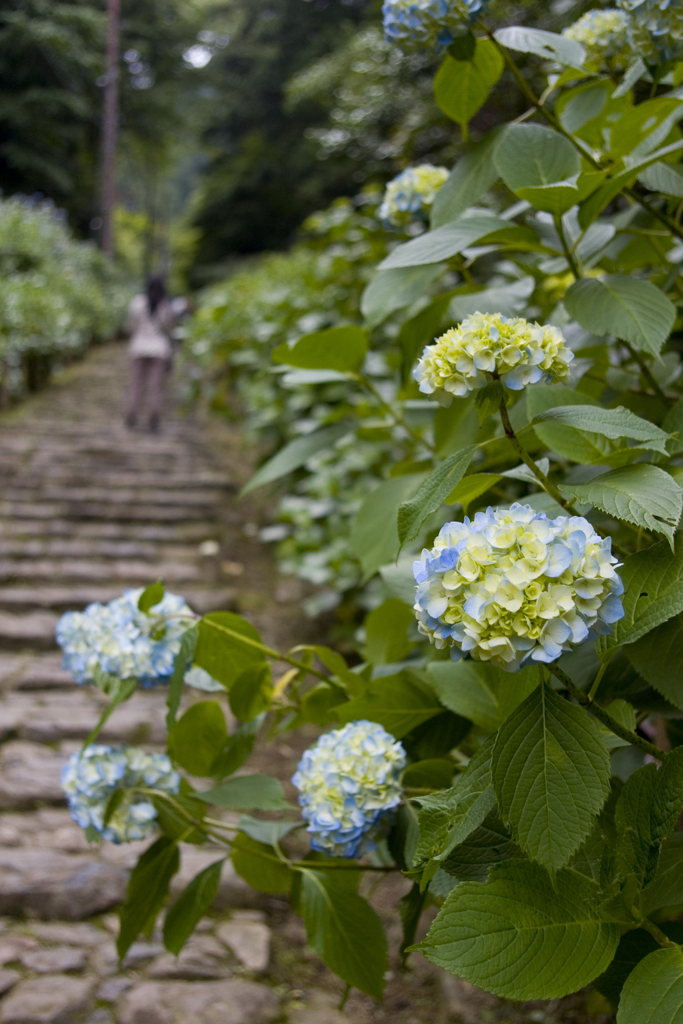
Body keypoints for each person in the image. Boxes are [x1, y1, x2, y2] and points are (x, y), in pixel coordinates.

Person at [125, 275, 175, 432]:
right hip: (159, 349)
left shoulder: (137, 303)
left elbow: (129, 326)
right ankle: (154, 417)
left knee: (136, 384)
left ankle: (132, 415)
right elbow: (169, 329)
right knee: (156, 386)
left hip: (139, 347)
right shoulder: (165, 305)